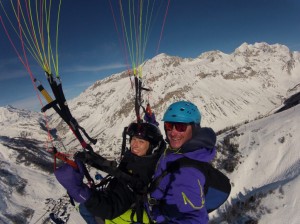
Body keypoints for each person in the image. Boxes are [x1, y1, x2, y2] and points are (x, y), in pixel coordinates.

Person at [54, 122, 165, 224]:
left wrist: (79, 191)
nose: (134, 145)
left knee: (85, 208)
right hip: (118, 196)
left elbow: (112, 208)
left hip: (121, 212)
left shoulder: (142, 172)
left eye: (141, 142)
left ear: (152, 148)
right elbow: (119, 173)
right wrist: (91, 159)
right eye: (134, 139)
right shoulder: (142, 159)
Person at [147, 100, 217, 224]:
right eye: (169, 126)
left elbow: (197, 219)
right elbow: (165, 149)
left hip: (158, 216)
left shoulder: (187, 172)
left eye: (180, 127)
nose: (173, 132)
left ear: (194, 129)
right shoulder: (181, 150)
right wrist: (151, 122)